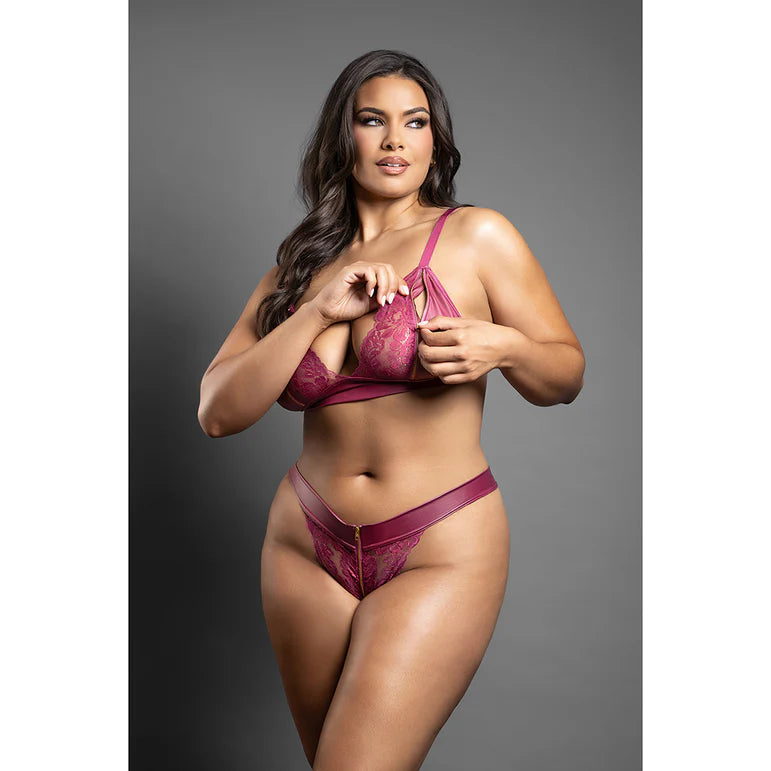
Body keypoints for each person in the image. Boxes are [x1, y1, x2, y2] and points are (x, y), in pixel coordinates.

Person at [197, 49, 584, 771]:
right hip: (303, 544)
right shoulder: (298, 267)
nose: (395, 140)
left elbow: (564, 373)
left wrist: (504, 346)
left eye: (415, 122)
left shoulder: (477, 235)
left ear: (436, 139)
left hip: (438, 542)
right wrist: (316, 310)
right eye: (372, 120)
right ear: (342, 136)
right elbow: (218, 412)